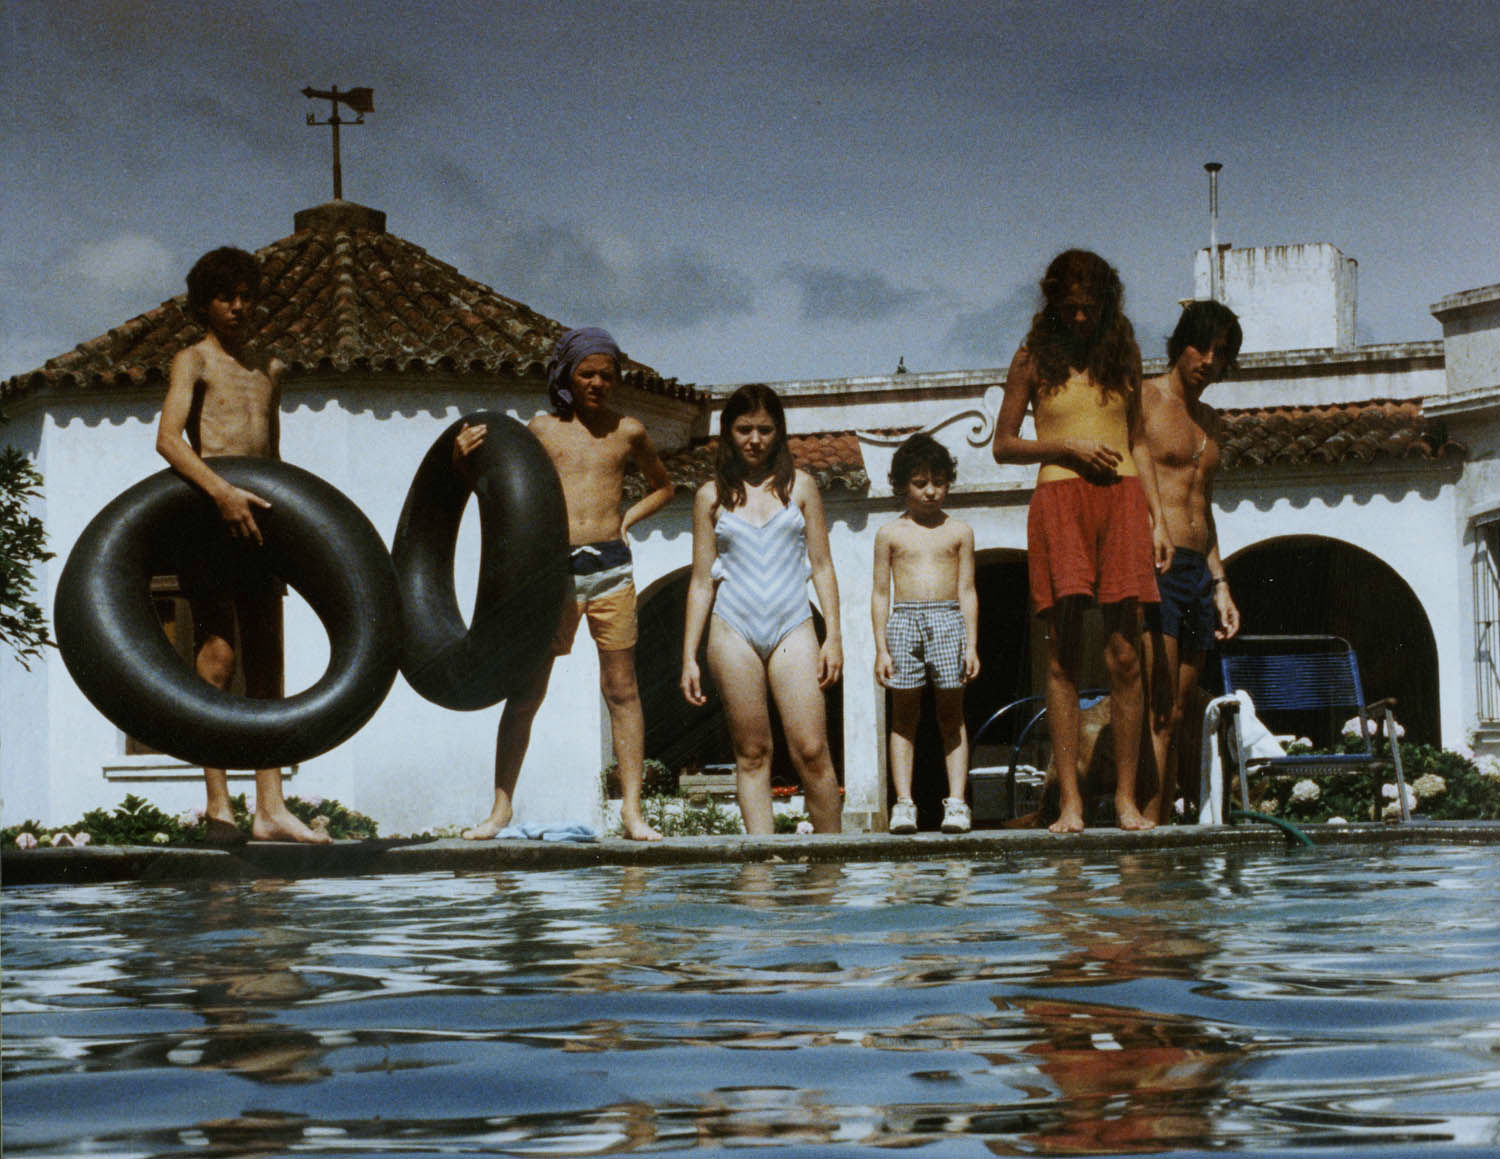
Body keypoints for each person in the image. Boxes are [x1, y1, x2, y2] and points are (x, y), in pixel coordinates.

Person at [455, 327, 673, 842]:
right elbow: (498, 478)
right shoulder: (543, 429)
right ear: (567, 376)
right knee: (528, 690)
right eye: (587, 373)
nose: (598, 383)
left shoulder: (629, 431)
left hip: (612, 571)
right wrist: (459, 457)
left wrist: (628, 519)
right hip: (554, 575)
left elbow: (663, 486)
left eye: (607, 375)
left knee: (622, 689)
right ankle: (500, 810)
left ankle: (633, 813)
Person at [991, 250, 1172, 833]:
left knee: (1125, 655)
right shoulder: (1031, 359)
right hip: (1060, 500)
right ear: (1052, 303)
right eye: (1068, 308)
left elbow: (1138, 442)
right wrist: (1065, 450)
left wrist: (1158, 519)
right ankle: (1069, 802)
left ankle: (1123, 799)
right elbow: (1003, 443)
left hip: (1120, 500)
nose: (1078, 319)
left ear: (1106, 304)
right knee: (1065, 653)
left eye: (1088, 308)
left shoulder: (1123, 357)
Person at [155, 246, 328, 844]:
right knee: (220, 650)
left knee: (269, 657)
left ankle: (271, 806)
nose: (238, 307)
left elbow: (273, 458)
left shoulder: (269, 370)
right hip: (208, 517)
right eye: (226, 297)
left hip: (260, 522)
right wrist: (223, 494)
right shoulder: (192, 361)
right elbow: (170, 442)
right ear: (205, 303)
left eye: (246, 297)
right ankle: (218, 804)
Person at [680, 383, 844, 834]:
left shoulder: (802, 487)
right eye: (744, 429)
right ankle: (761, 876)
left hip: (793, 624)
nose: (754, 439)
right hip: (733, 628)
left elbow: (823, 567)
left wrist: (834, 636)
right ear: (728, 433)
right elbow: (700, 582)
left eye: (765, 430)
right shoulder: (710, 497)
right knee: (752, 755)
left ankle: (832, 867)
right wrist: (687, 656)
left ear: (779, 432)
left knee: (812, 750)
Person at [1140, 300, 1244, 822]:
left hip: (1199, 573)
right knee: (1161, 708)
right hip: (1157, 565)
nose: (1208, 360)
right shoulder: (1145, 400)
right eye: (1200, 347)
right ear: (1179, 345)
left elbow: (1205, 510)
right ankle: (1151, 832)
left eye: (1220, 353)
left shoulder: (1211, 422)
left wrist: (1221, 582)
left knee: (1182, 711)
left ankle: (1172, 827)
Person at [871, 433, 980, 834]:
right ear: (902, 485)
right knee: (904, 717)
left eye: (938, 481)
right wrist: (881, 648)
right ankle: (903, 802)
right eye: (920, 483)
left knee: (952, 715)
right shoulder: (890, 534)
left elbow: (968, 590)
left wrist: (972, 644)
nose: (931, 491)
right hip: (903, 621)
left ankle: (956, 802)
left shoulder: (960, 531)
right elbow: (881, 593)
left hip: (949, 619)